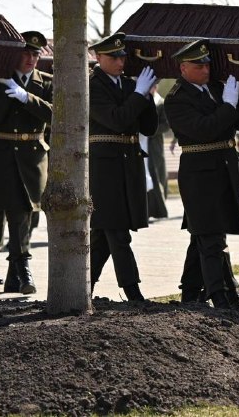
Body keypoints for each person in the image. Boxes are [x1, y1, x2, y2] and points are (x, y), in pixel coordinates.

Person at [164, 38, 239, 311]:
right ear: (183, 68)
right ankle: (222, 297)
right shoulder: (176, 99)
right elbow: (205, 129)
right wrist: (228, 106)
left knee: (203, 235)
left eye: (207, 65)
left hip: (222, 169)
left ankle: (191, 292)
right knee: (212, 238)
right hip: (199, 175)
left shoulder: (215, 88)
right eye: (198, 66)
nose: (205, 70)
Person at [88, 32, 158, 302]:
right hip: (104, 168)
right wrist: (139, 94)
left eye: (122, 57)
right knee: (117, 231)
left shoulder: (130, 85)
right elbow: (116, 120)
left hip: (128, 164)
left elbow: (149, 127)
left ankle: (83, 286)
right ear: (98, 57)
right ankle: (133, 291)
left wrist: (147, 96)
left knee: (104, 233)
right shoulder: (92, 86)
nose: (120, 62)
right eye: (113, 57)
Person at [0, 31, 53, 294]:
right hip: (2, 154)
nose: (30, 59)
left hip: (32, 155)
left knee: (26, 214)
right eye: (25, 53)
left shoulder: (47, 82)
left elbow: (56, 114)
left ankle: (18, 272)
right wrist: (5, 90)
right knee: (4, 213)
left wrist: (26, 97)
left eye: (35, 54)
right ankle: (14, 268)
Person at [146, 84, 169, 219]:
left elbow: (166, 125)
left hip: (155, 145)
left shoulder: (161, 103)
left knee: (156, 172)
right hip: (143, 143)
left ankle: (159, 208)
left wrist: (151, 131)